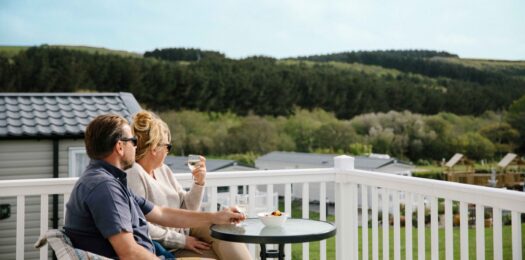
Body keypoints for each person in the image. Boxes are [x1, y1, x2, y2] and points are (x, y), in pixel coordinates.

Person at [64, 114, 245, 259]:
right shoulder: (105, 188)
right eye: (133, 142)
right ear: (120, 147)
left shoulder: (110, 181)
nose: (136, 147)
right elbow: (129, 252)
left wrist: (217, 216)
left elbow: (161, 213)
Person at [126, 111, 251, 259]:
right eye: (167, 147)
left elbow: (188, 208)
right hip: (167, 246)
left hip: (187, 231)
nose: (167, 152)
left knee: (225, 229)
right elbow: (141, 226)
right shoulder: (134, 174)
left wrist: (199, 183)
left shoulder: (163, 170)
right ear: (154, 148)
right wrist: (182, 241)